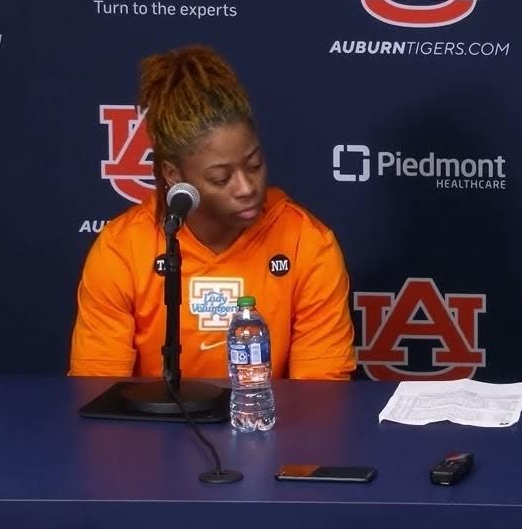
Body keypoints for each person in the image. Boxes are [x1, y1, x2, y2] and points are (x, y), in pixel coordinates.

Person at [69, 44, 355, 380]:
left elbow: (320, 397)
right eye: (221, 178)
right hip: (150, 432)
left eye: (254, 165)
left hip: (271, 427)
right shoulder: (122, 249)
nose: (246, 187)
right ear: (174, 175)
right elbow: (97, 391)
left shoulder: (307, 244)